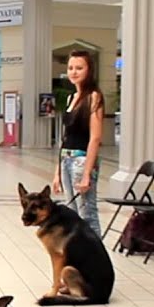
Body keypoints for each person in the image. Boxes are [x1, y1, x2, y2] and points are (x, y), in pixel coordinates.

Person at [51, 50, 105, 235]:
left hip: (81, 160)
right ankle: (78, 254)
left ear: (89, 70)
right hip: (66, 159)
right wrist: (57, 171)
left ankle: (97, 258)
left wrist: (87, 174)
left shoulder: (94, 97)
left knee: (87, 213)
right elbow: (65, 137)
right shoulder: (70, 98)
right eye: (71, 68)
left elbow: (95, 138)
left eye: (79, 68)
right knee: (71, 213)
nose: (74, 72)